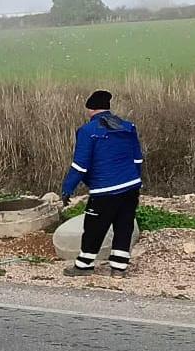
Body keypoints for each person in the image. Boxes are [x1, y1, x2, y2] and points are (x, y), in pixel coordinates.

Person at [61, 90, 144, 278]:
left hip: (105, 189)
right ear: (107, 107)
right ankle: (118, 269)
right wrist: (134, 180)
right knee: (124, 225)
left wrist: (67, 189)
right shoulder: (127, 127)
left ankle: (84, 266)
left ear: (90, 109)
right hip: (131, 186)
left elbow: (80, 166)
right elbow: (138, 159)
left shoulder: (88, 131)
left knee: (94, 227)